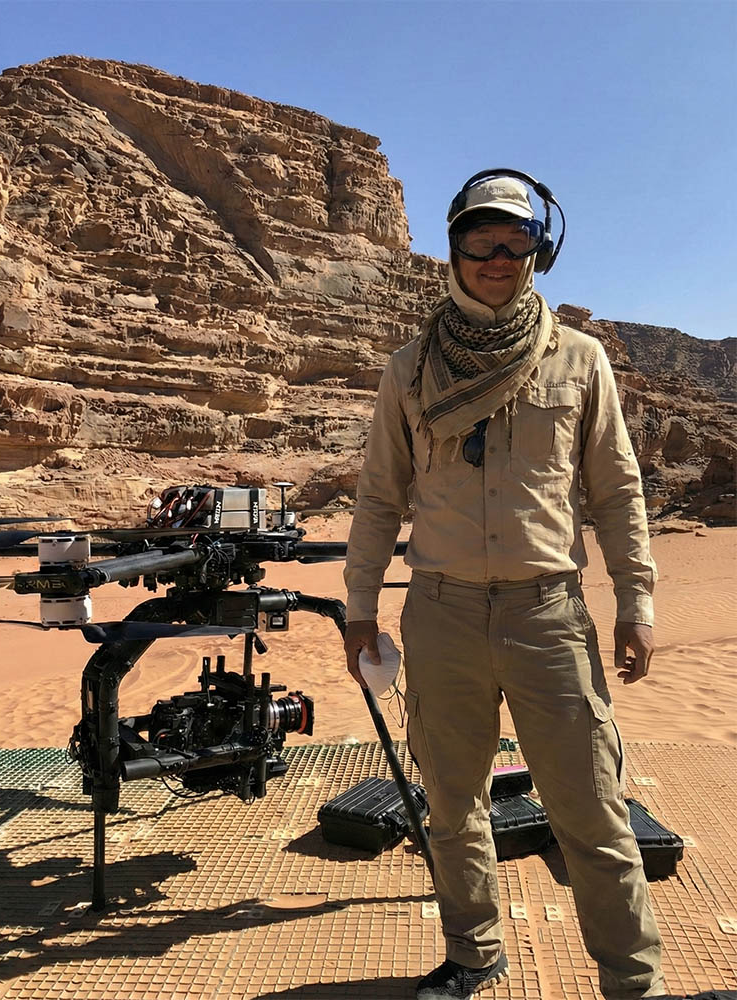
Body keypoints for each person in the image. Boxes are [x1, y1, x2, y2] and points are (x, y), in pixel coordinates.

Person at [343, 170, 665, 1000]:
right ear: (451, 249)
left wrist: (637, 600)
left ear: (540, 248)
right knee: (452, 805)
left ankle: (633, 984)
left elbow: (617, 490)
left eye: (515, 239)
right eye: (479, 240)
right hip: (441, 613)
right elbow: (380, 497)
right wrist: (360, 609)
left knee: (591, 812)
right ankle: (474, 954)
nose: (496, 256)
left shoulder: (579, 359)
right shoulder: (411, 368)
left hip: (548, 613)